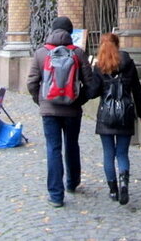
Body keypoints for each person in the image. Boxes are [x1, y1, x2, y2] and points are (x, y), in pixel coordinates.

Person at [27, 16, 95, 208]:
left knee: (53, 148)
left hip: (49, 111)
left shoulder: (41, 53)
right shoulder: (78, 53)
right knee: (72, 145)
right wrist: (79, 100)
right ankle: (72, 183)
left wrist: (41, 101)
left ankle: (56, 195)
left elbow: (31, 82)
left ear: (51, 30)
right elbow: (90, 84)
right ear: (70, 33)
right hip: (72, 110)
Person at [92, 33, 141, 205]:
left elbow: (93, 92)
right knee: (122, 153)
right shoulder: (129, 64)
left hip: (106, 116)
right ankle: (124, 185)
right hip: (125, 114)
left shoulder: (99, 66)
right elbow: (137, 90)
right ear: (118, 44)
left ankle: (113, 190)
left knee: (108, 153)